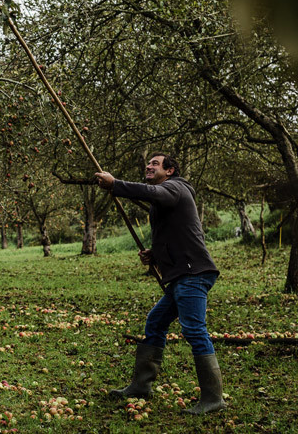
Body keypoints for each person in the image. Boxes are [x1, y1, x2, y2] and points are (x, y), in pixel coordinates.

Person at [95, 152, 226, 415]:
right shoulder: (166, 197)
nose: (149, 166)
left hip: (192, 274)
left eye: (155, 163)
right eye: (148, 162)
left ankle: (213, 399)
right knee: (155, 322)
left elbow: (154, 194)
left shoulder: (175, 188)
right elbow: (174, 235)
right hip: (181, 276)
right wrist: (154, 254)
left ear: (171, 170)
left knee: (194, 331)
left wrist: (116, 184)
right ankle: (141, 386)